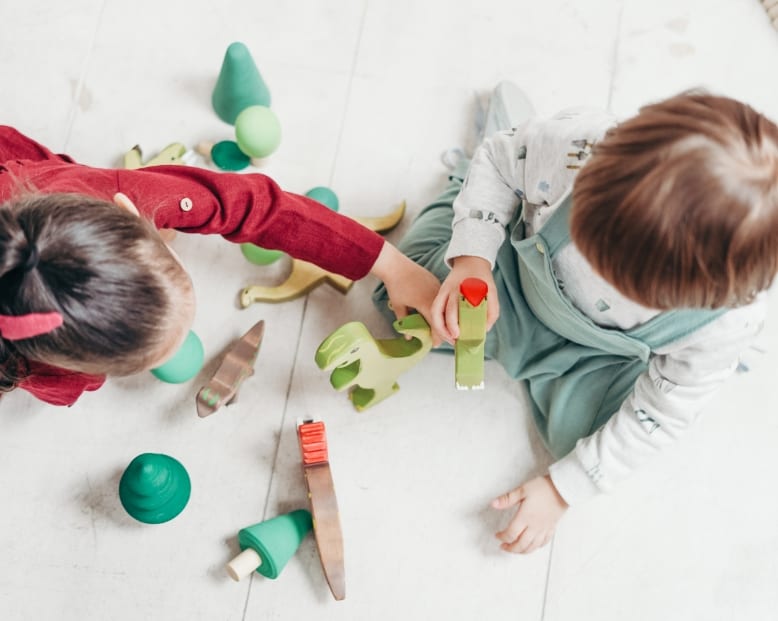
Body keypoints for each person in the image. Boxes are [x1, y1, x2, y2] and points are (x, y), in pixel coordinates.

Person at [373, 83, 778, 554]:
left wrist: (562, 490)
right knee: (398, 298)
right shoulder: (576, 148)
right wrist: (472, 262)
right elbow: (502, 165)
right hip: (512, 281)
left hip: (597, 357)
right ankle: (465, 176)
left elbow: (661, 414)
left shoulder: (726, 322)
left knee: (589, 448)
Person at [0, 125, 441, 406]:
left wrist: (392, 266)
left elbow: (255, 206)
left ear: (130, 210)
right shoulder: (39, 369)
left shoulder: (99, 191)